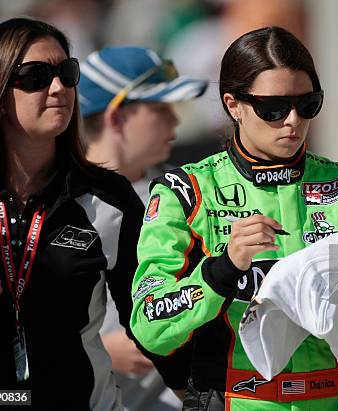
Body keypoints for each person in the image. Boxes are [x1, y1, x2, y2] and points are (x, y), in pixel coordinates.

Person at [130, 26, 338, 410]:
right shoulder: (187, 192)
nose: (293, 121)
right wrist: (222, 270)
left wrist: (336, 304)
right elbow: (150, 326)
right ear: (233, 105)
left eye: (307, 104)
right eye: (274, 108)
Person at [0, 17, 176, 410]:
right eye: (36, 76)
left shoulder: (110, 197)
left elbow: (152, 321)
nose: (59, 88)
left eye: (66, 72)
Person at [79, 45, 208, 410]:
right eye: (160, 108)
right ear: (116, 117)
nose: (176, 122)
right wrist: (101, 352)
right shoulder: (63, 205)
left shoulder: (181, 195)